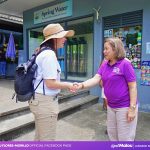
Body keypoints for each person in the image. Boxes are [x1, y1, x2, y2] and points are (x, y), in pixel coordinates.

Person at [75, 37, 138, 141]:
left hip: (124, 107)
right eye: (104, 49)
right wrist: (81, 85)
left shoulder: (125, 64)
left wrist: (132, 108)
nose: (104, 51)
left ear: (115, 49)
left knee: (124, 138)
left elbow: (133, 87)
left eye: (106, 49)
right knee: (112, 135)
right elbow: (96, 79)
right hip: (111, 106)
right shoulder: (105, 64)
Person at [29, 23, 76, 141]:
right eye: (62, 36)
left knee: (39, 138)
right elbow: (50, 83)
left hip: (38, 100)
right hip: (45, 103)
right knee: (47, 141)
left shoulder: (41, 51)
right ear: (54, 38)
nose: (65, 39)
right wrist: (69, 85)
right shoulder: (49, 54)